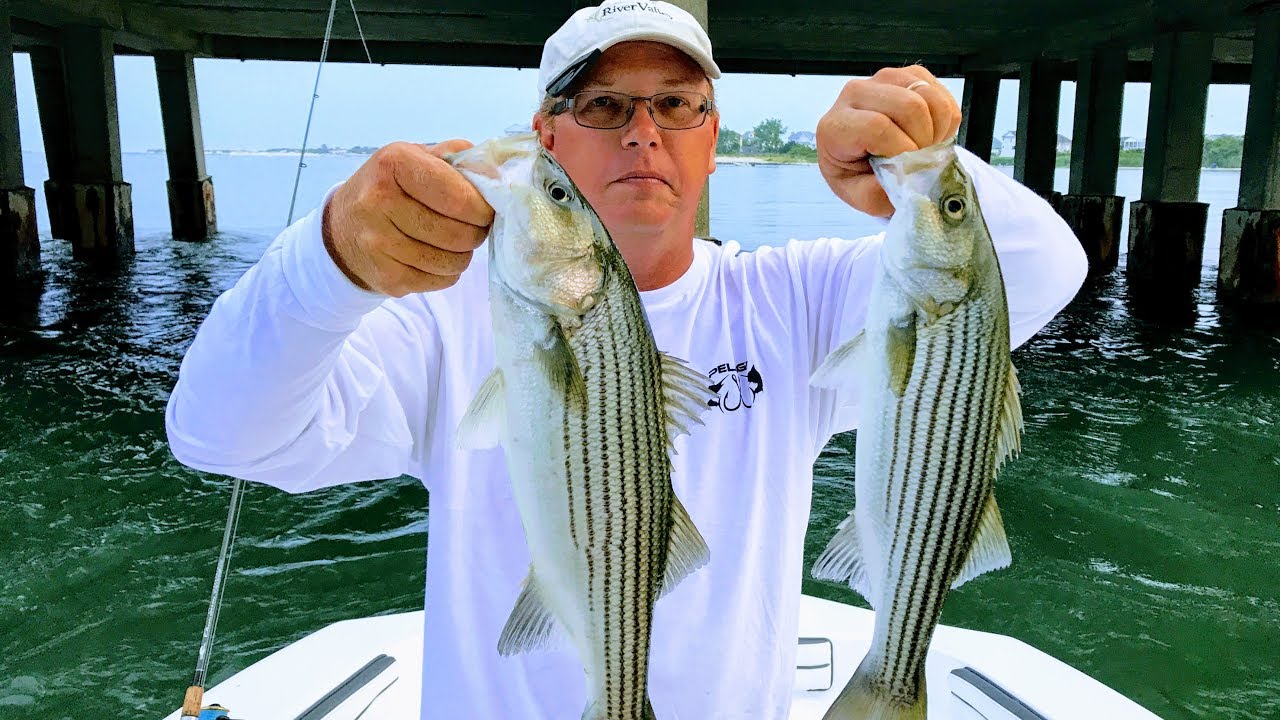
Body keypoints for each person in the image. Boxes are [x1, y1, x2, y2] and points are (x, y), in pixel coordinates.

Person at [165, 1, 1087, 718]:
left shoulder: (791, 300)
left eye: (678, 105)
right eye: (604, 105)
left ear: (712, 141)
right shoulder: (443, 320)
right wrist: (328, 261)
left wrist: (924, 168)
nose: (645, 130)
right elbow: (219, 435)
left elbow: (1047, 269)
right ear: (547, 138)